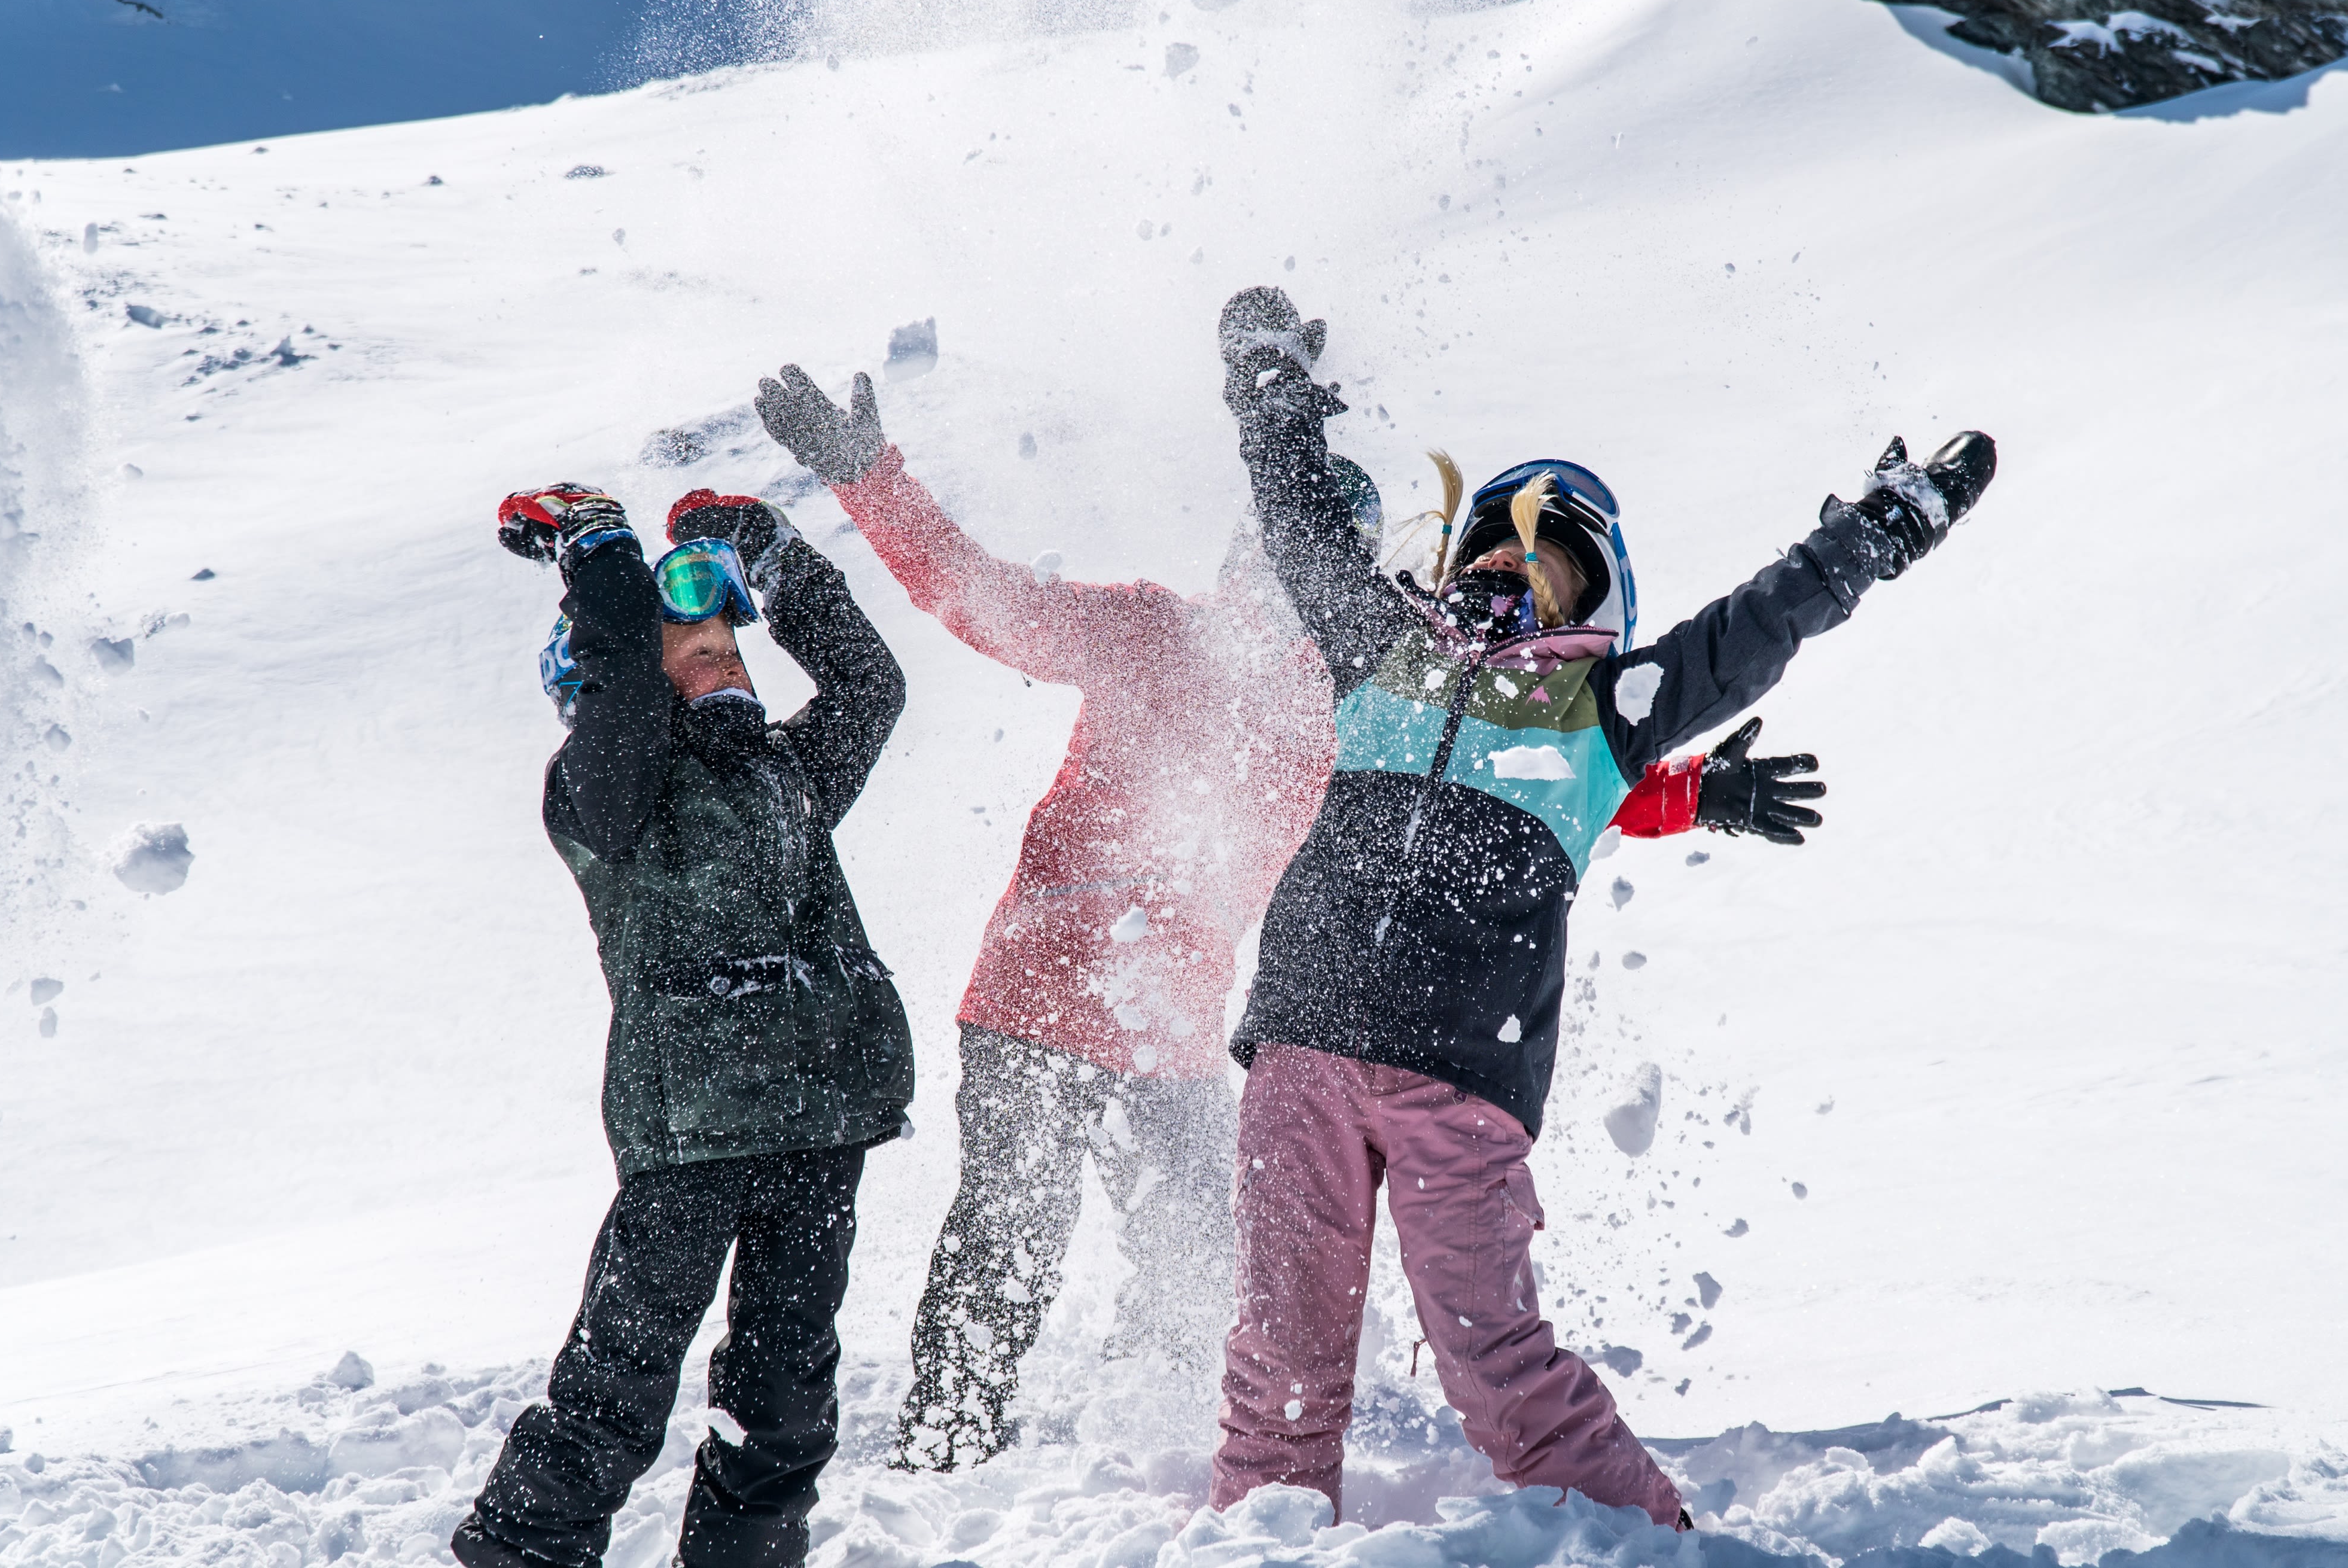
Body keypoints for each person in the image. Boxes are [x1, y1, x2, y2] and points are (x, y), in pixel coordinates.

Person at [742, 361, 1825, 1473]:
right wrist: (866, 476)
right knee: (1007, 1242)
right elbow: (978, 593)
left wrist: (1695, 793)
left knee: (1202, 1267)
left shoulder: (1342, 710)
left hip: (1175, 1041)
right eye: (1263, 560)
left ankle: (1160, 1463)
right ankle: (945, 1453)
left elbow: (1520, 770)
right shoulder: (1144, 634)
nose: (1276, 587)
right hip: (1040, 996)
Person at [1207, 285, 1996, 1527]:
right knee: (1280, 1364)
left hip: (1459, 1081)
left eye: (1548, 560)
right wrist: (1272, 393)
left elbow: (1756, 626)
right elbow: (1301, 527)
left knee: (1499, 1371)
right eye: (1492, 551)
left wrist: (1875, 531)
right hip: (1302, 1043)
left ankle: (1660, 1550)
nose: (1511, 569)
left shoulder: (1606, 710)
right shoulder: (1383, 650)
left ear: (1590, 601)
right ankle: (1258, 1547)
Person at [450, 483, 913, 1568]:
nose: (719, 654)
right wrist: (599, 548)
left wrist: (769, 546)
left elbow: (870, 684)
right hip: (690, 1141)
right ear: (615, 677)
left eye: (726, 639)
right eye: (685, 645)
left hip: (816, 1126)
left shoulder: (785, 777)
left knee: (787, 1404)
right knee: (615, 1394)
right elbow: (624, 700)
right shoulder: (604, 797)